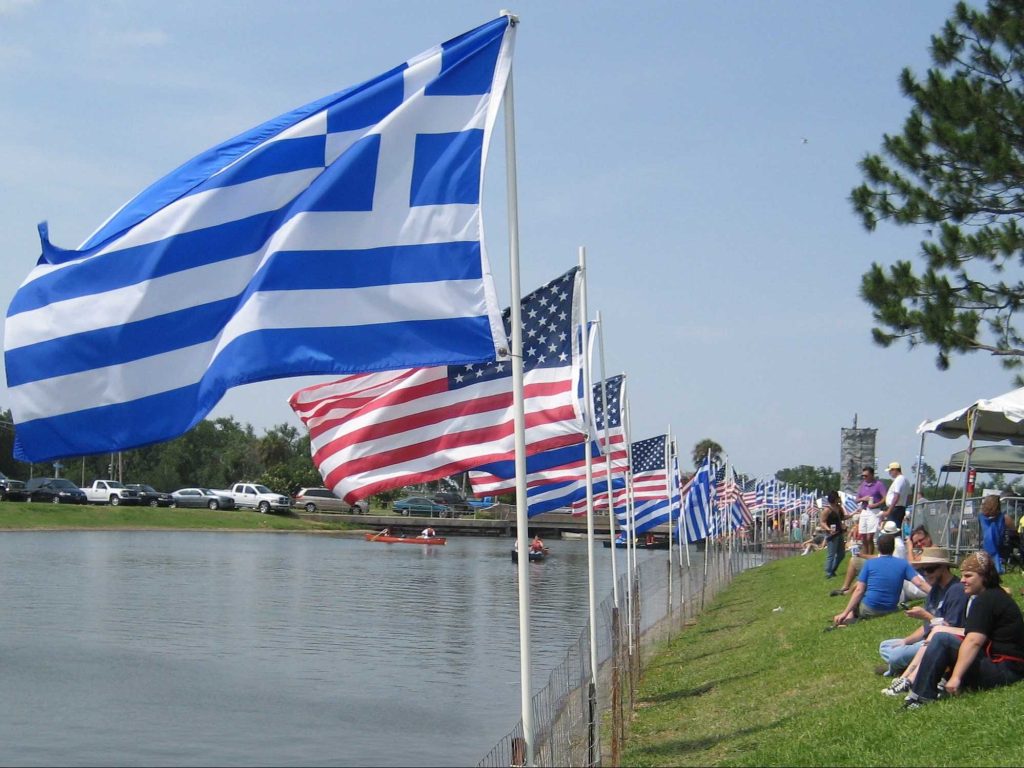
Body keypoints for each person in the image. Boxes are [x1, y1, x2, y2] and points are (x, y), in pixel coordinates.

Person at [902, 550, 1024, 708]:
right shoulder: (992, 595)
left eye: (968, 576)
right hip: (1009, 667)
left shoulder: (986, 600)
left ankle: (920, 697)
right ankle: (933, 684)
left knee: (942, 640)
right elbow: (969, 634)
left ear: (984, 576)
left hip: (1005, 670)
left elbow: (974, 641)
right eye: (963, 576)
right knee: (941, 634)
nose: (963, 581)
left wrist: (956, 677)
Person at [878, 547, 968, 680]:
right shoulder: (935, 590)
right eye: (922, 570)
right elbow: (927, 627)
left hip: (940, 644)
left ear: (943, 567)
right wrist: (905, 641)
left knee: (895, 655)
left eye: (930, 569)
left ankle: (902, 664)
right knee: (885, 645)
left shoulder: (957, 591)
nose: (926, 574)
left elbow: (950, 632)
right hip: (926, 640)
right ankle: (907, 662)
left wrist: (926, 615)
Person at [832, 533, 930, 626]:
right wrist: (938, 593)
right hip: (890, 609)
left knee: (862, 590)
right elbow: (920, 583)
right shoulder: (903, 564)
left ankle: (848, 618)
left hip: (869, 610)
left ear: (878, 548)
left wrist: (844, 612)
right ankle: (849, 617)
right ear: (893, 548)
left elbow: (859, 590)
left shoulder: (869, 564)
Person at [856, 466, 886, 556]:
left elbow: (885, 497)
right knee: (863, 537)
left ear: (872, 475)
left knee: (870, 537)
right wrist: (863, 498)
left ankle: (870, 556)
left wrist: (876, 504)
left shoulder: (878, 484)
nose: (864, 477)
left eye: (866, 476)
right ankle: (865, 556)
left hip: (874, 511)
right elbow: (856, 499)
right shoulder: (862, 485)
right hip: (864, 511)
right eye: (863, 476)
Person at [819, 490, 845, 578]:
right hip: (831, 534)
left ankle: (833, 569)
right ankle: (828, 572)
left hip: (840, 533)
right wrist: (828, 529)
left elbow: (843, 517)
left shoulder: (839, 507)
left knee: (842, 554)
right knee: (831, 554)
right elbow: (822, 522)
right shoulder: (827, 510)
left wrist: (853, 513)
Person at [978, 494, 1007, 573]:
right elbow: (1001, 530)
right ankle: (998, 567)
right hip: (996, 539)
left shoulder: (981, 516)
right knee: (997, 552)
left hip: (986, 539)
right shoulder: (1000, 516)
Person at [882, 461, 910, 529]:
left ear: (895, 470)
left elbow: (896, 496)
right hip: (900, 508)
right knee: (896, 528)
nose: (889, 473)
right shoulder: (905, 480)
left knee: (892, 529)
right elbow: (909, 495)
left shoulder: (899, 479)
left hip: (895, 509)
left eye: (890, 471)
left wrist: (889, 510)